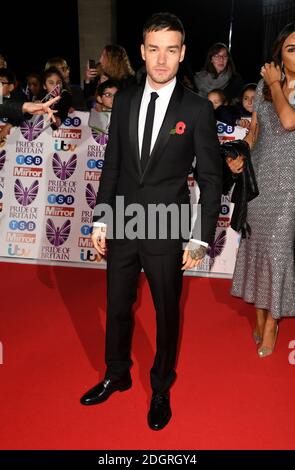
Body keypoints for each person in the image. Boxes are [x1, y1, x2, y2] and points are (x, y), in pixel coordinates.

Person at [80, 12, 222, 430]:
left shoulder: (196, 109)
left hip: (166, 224)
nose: (161, 60)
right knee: (118, 305)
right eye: (154, 49)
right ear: (142, 52)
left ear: (182, 54)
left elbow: (211, 180)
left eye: (171, 50)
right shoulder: (123, 99)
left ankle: (161, 387)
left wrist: (199, 239)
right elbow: (112, 166)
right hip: (122, 220)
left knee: (165, 312)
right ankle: (117, 372)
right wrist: (102, 219)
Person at [227, 22, 295, 358]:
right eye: (292, 48)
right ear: (279, 54)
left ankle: (272, 323)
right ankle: (258, 313)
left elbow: (288, 121)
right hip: (259, 184)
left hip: (290, 186)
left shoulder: (274, 88)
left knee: (278, 252)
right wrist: (241, 156)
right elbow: (255, 133)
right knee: (256, 250)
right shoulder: (263, 90)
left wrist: (274, 83)